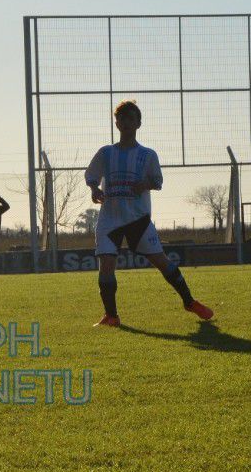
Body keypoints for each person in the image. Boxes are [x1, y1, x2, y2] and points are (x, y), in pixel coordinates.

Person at [84, 100, 213, 327]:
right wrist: (94, 189)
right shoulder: (106, 153)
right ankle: (111, 316)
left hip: (138, 219)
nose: (126, 122)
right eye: (122, 118)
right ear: (116, 123)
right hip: (109, 219)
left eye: (130, 118)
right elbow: (91, 175)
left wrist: (144, 184)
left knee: (162, 262)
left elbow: (158, 181)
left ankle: (189, 302)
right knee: (106, 264)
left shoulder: (147, 155)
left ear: (138, 123)